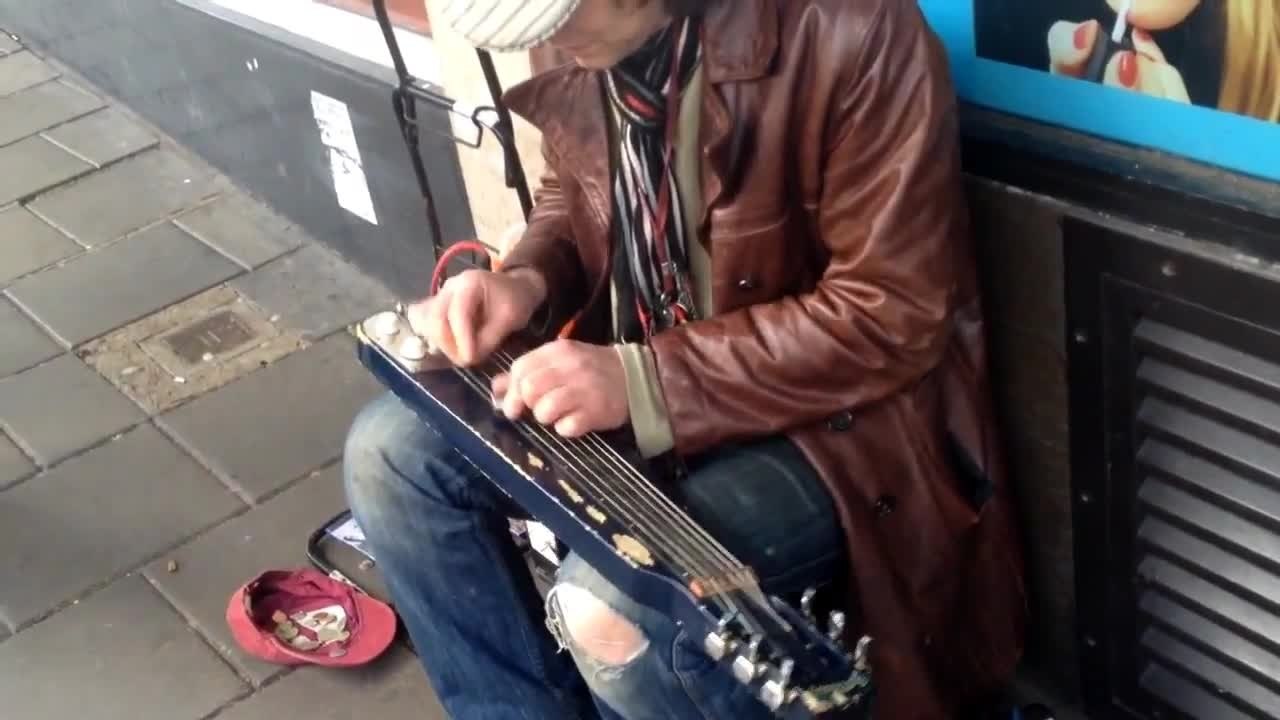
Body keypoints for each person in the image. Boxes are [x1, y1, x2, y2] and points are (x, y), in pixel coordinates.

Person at [343, 0, 1027, 718]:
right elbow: (570, 189)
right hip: (649, 370)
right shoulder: (581, 34)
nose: (545, 41)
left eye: (556, 17)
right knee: (389, 457)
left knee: (609, 611)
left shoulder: (860, 30)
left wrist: (648, 380)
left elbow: (890, 312)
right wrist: (525, 280)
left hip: (837, 429)